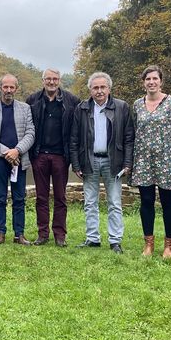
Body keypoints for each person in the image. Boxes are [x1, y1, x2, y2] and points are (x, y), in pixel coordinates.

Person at [70, 72, 134, 252]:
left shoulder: (121, 107)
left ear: (109, 89)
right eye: (95, 88)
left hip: (113, 161)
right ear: (90, 90)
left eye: (102, 87)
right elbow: (74, 139)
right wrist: (76, 164)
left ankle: (115, 241)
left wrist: (127, 162)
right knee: (90, 202)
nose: (99, 91)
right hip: (89, 160)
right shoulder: (81, 108)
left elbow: (129, 137)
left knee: (114, 202)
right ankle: (93, 238)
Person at [129, 66, 171, 259]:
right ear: (143, 82)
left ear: (161, 81)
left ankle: (169, 245)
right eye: (147, 79)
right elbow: (136, 130)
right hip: (144, 160)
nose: (151, 82)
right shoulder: (137, 104)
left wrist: (169, 150)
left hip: (167, 159)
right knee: (146, 202)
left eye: (155, 78)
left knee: (168, 202)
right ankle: (148, 244)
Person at [0, 74, 36, 245]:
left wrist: (17, 151)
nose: (8, 90)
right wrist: (6, 152)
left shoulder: (25, 109)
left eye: (12, 87)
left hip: (19, 161)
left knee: (19, 198)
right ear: (0, 88)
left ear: (16, 89)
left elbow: (31, 133)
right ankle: (0, 233)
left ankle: (19, 234)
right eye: (5, 87)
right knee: (0, 198)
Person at [26, 68, 80, 247]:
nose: (51, 82)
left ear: (59, 80)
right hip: (39, 155)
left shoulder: (72, 101)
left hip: (60, 156)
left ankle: (60, 235)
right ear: (43, 80)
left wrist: (73, 156)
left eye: (55, 79)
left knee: (60, 197)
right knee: (41, 197)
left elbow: (75, 131)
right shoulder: (33, 100)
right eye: (48, 79)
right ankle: (42, 234)